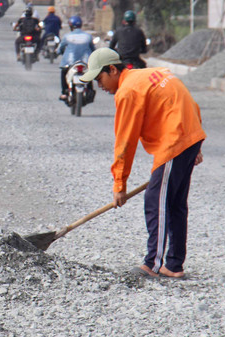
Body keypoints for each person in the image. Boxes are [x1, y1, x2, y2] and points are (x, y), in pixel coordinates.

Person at [79, 48, 206, 279]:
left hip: (176, 141)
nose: (99, 85)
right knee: (174, 202)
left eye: (100, 78)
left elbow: (125, 141)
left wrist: (119, 185)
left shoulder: (128, 91)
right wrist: (194, 142)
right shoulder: (153, 73)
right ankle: (174, 265)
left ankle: (153, 265)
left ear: (113, 69)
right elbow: (187, 102)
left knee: (155, 200)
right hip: (188, 136)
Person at [56, 16, 95, 101]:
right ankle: (90, 90)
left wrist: (59, 52)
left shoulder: (67, 36)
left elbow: (60, 48)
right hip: (85, 62)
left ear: (70, 26)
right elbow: (93, 49)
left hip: (70, 62)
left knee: (64, 72)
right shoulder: (88, 36)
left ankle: (64, 93)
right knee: (89, 74)